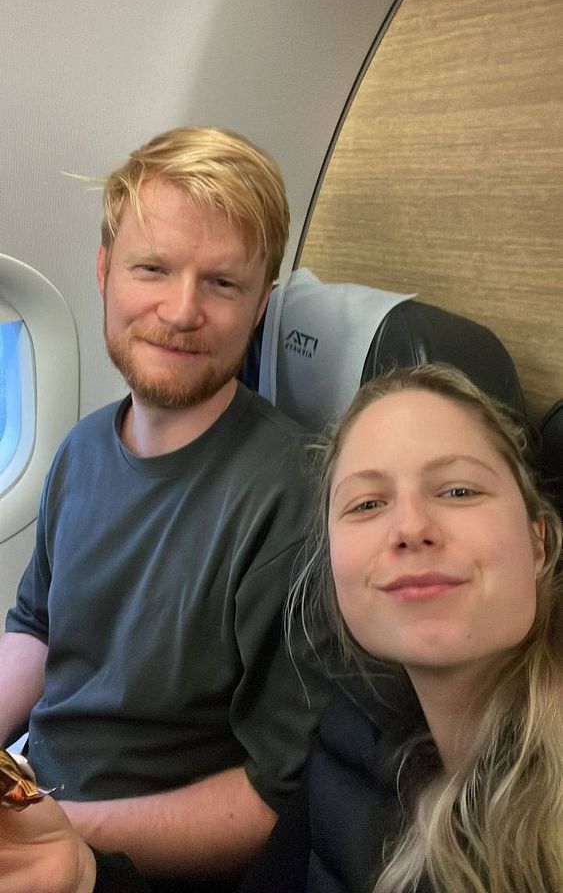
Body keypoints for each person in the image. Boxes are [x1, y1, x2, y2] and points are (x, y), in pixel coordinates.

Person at [1, 363, 562, 892]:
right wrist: (83, 875)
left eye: (459, 490)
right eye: (368, 504)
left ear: (539, 540)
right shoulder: (352, 728)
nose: (411, 527)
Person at [0, 127, 330, 891]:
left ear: (260, 305)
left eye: (222, 283)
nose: (181, 311)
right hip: (39, 800)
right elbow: (37, 629)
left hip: (126, 862)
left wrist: (51, 829)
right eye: (152, 268)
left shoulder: (297, 497)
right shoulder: (83, 448)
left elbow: (269, 801)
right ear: (104, 272)